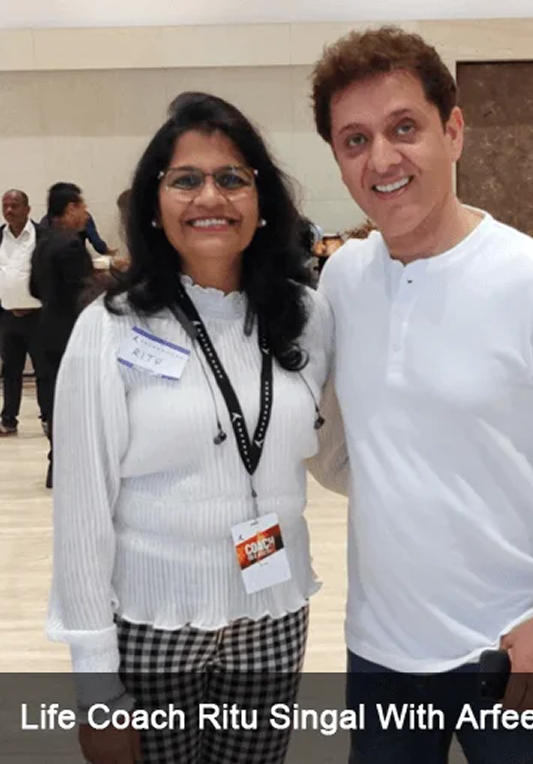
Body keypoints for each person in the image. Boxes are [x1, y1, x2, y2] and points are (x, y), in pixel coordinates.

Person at [307, 27, 533, 763]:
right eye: (355, 140)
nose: (381, 159)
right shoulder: (343, 280)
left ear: (453, 131)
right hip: (379, 653)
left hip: (508, 649)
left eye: (404, 128)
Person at [45, 92, 332, 764]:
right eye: (185, 180)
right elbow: (81, 511)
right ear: (154, 203)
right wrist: (95, 687)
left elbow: (337, 450)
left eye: (232, 177)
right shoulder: (110, 328)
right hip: (153, 623)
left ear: (262, 201)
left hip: (274, 612)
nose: (210, 197)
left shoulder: (307, 315)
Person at [30, 182, 94, 487]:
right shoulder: (70, 245)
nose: (86, 214)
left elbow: (33, 288)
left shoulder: (43, 242)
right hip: (72, 332)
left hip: (46, 329)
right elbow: (86, 291)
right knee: (77, 400)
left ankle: (56, 464)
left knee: (56, 398)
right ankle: (73, 466)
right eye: (82, 207)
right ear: (70, 208)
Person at [0, 189, 49, 436]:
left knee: (43, 370)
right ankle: (8, 419)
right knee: (10, 371)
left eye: (15, 205)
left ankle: (48, 417)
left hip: (38, 316)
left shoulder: (43, 236)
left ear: (27, 209)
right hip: (8, 316)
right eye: (5, 205)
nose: (9, 210)